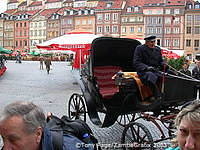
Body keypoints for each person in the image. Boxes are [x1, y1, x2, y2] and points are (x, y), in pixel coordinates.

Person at [0, 101, 94, 150]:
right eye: (3, 139)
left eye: (13, 140)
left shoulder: (69, 147)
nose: (5, 148)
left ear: (38, 134)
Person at [133, 35, 165, 101]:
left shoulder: (157, 49)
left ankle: (166, 94)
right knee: (151, 76)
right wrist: (147, 67)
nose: (153, 44)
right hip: (144, 72)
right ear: (146, 42)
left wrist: (164, 64)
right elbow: (136, 62)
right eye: (151, 42)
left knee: (169, 75)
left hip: (156, 70)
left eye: (154, 42)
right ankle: (156, 96)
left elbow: (160, 61)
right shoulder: (140, 48)